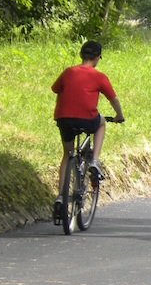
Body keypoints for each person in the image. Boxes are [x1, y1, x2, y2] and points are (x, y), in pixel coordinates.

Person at [51, 41, 125, 219]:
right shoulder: (99, 76)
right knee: (101, 123)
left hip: (64, 119)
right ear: (98, 57)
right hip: (88, 119)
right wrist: (119, 116)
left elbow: (55, 89)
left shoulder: (69, 72)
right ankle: (95, 161)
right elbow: (113, 100)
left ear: (81, 55)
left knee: (68, 154)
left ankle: (61, 196)